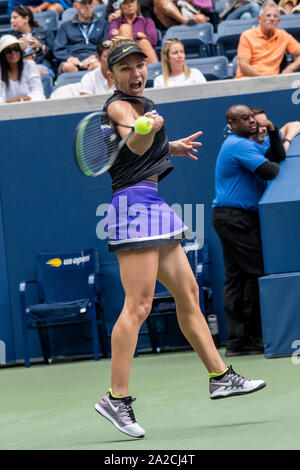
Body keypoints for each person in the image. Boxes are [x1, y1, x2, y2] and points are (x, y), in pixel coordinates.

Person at [93, 38, 266, 439]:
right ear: (112, 75)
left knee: (188, 294)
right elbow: (132, 145)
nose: (136, 73)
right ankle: (115, 399)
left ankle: (220, 376)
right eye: (126, 68)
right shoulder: (119, 107)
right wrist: (145, 129)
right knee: (137, 306)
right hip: (133, 208)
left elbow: (138, 148)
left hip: (153, 204)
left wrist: (169, 144)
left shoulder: (143, 105)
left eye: (140, 65)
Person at [212, 104, 286, 358]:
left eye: (253, 117)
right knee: (255, 274)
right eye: (245, 118)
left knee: (238, 278)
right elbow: (272, 169)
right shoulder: (238, 145)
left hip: (234, 219)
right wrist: (285, 138)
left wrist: (275, 132)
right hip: (235, 219)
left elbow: (277, 156)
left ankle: (238, 342)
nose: (252, 121)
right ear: (232, 124)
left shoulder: (249, 144)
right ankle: (253, 337)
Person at [235, 0, 300, 79]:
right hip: (247, 81)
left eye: (275, 16)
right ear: (259, 19)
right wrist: (265, 80)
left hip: (272, 83)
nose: (272, 19)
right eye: (268, 15)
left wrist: (290, 68)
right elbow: (244, 66)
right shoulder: (247, 36)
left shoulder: (283, 35)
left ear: (278, 21)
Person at [53, 0, 108, 74]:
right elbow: (58, 49)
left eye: (90, 3)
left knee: (98, 66)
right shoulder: (65, 26)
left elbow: (106, 46)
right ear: (75, 6)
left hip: (95, 59)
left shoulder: (103, 24)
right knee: (67, 67)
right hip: (73, 60)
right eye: (83, 3)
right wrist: (68, 58)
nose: (87, 6)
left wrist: (96, 57)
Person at [10, 5, 55, 77]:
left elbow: (54, 54)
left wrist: (40, 46)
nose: (11, 21)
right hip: (20, 68)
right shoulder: (12, 37)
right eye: (11, 18)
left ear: (26, 19)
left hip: (42, 66)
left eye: (15, 17)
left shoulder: (43, 31)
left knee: (35, 69)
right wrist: (16, 45)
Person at [0, 34, 45, 103]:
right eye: (8, 51)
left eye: (16, 49)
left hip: (31, 108)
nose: (13, 53)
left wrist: (18, 100)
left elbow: (38, 93)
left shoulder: (29, 65)